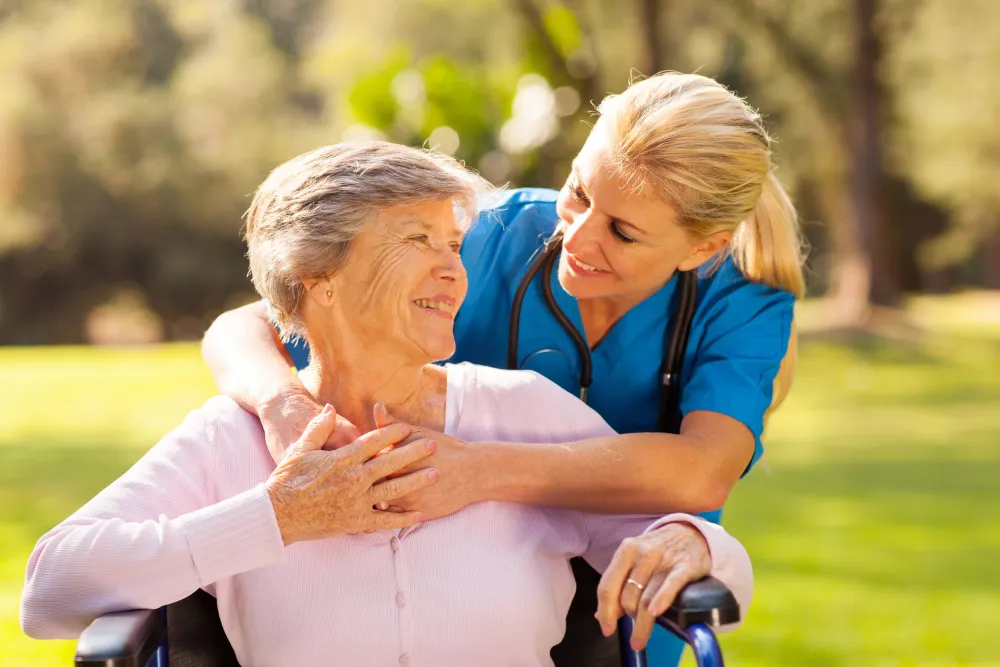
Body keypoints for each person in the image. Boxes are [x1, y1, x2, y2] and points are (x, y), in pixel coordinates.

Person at [20, 142, 753, 667]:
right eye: (417, 239)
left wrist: (695, 540)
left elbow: (708, 561)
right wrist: (276, 519)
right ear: (320, 278)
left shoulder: (525, 411)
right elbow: (49, 589)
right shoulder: (230, 441)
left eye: (454, 242)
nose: (453, 269)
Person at [201, 72, 802, 666]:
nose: (579, 238)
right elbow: (246, 327)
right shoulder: (489, 233)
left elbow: (703, 473)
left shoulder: (741, 300)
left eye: (622, 232)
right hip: (471, 580)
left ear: (702, 248)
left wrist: (479, 468)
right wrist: (284, 404)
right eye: (580, 194)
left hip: (628, 577)